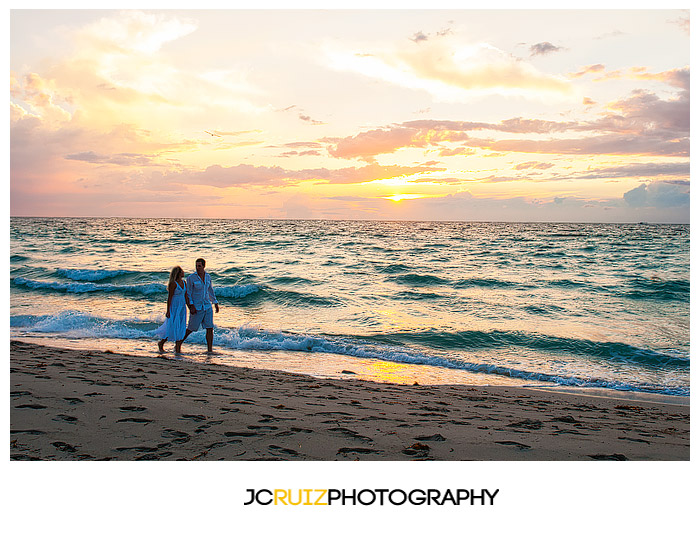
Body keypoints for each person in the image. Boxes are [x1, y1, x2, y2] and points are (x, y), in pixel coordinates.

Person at [181, 257, 219, 352]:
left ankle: (210, 350)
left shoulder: (208, 277)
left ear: (204, 266)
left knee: (210, 328)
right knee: (191, 328)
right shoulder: (191, 278)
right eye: (196, 266)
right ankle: (178, 343)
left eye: (199, 266)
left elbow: (210, 290)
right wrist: (191, 306)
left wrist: (215, 303)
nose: (198, 268)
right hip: (197, 307)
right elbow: (188, 293)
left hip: (207, 306)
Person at [155, 266, 188, 353]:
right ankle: (161, 343)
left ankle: (177, 348)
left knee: (181, 327)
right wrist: (168, 311)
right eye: (182, 271)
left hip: (182, 308)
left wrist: (190, 306)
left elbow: (186, 296)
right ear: (178, 273)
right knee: (172, 326)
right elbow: (169, 298)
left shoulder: (184, 283)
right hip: (174, 307)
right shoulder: (173, 284)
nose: (183, 272)